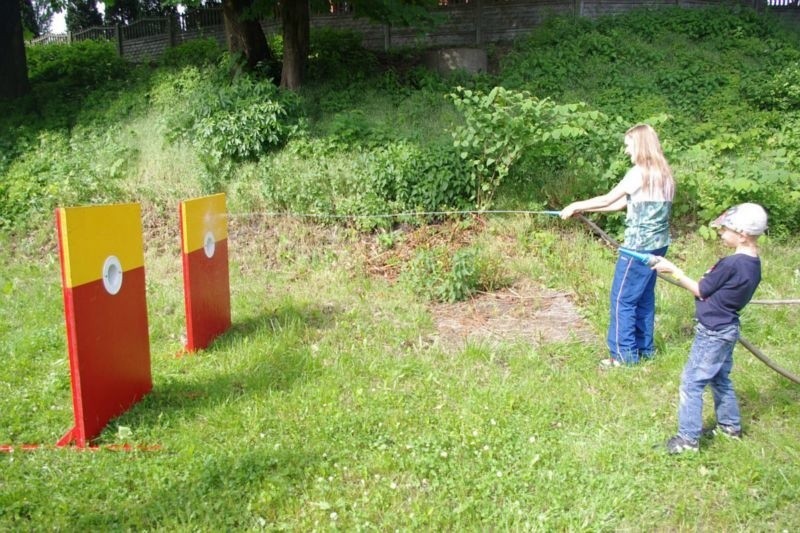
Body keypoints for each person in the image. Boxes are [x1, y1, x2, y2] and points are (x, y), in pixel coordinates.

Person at [651, 203, 767, 454]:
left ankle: (687, 440)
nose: (721, 233)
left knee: (691, 382)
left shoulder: (732, 263)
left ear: (742, 234)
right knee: (719, 378)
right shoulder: (753, 263)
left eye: (725, 229)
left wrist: (673, 270)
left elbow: (701, 290)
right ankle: (729, 427)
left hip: (713, 331)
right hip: (727, 328)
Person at [560, 124, 675, 367]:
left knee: (622, 299)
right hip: (658, 246)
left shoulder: (639, 172)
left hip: (638, 249)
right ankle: (645, 350)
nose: (626, 150)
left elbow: (607, 198)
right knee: (643, 298)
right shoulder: (663, 173)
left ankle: (622, 357)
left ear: (640, 145)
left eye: (628, 144)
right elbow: (618, 205)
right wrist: (581, 210)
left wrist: (574, 204)